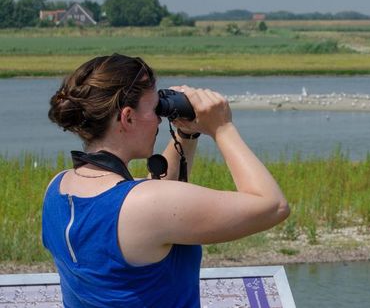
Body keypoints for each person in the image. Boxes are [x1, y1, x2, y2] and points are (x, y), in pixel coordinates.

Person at [43, 54, 290, 307]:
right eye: (154, 110)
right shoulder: (144, 204)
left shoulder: (57, 188)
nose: (160, 120)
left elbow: (147, 203)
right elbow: (273, 206)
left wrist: (186, 133)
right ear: (127, 117)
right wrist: (222, 127)